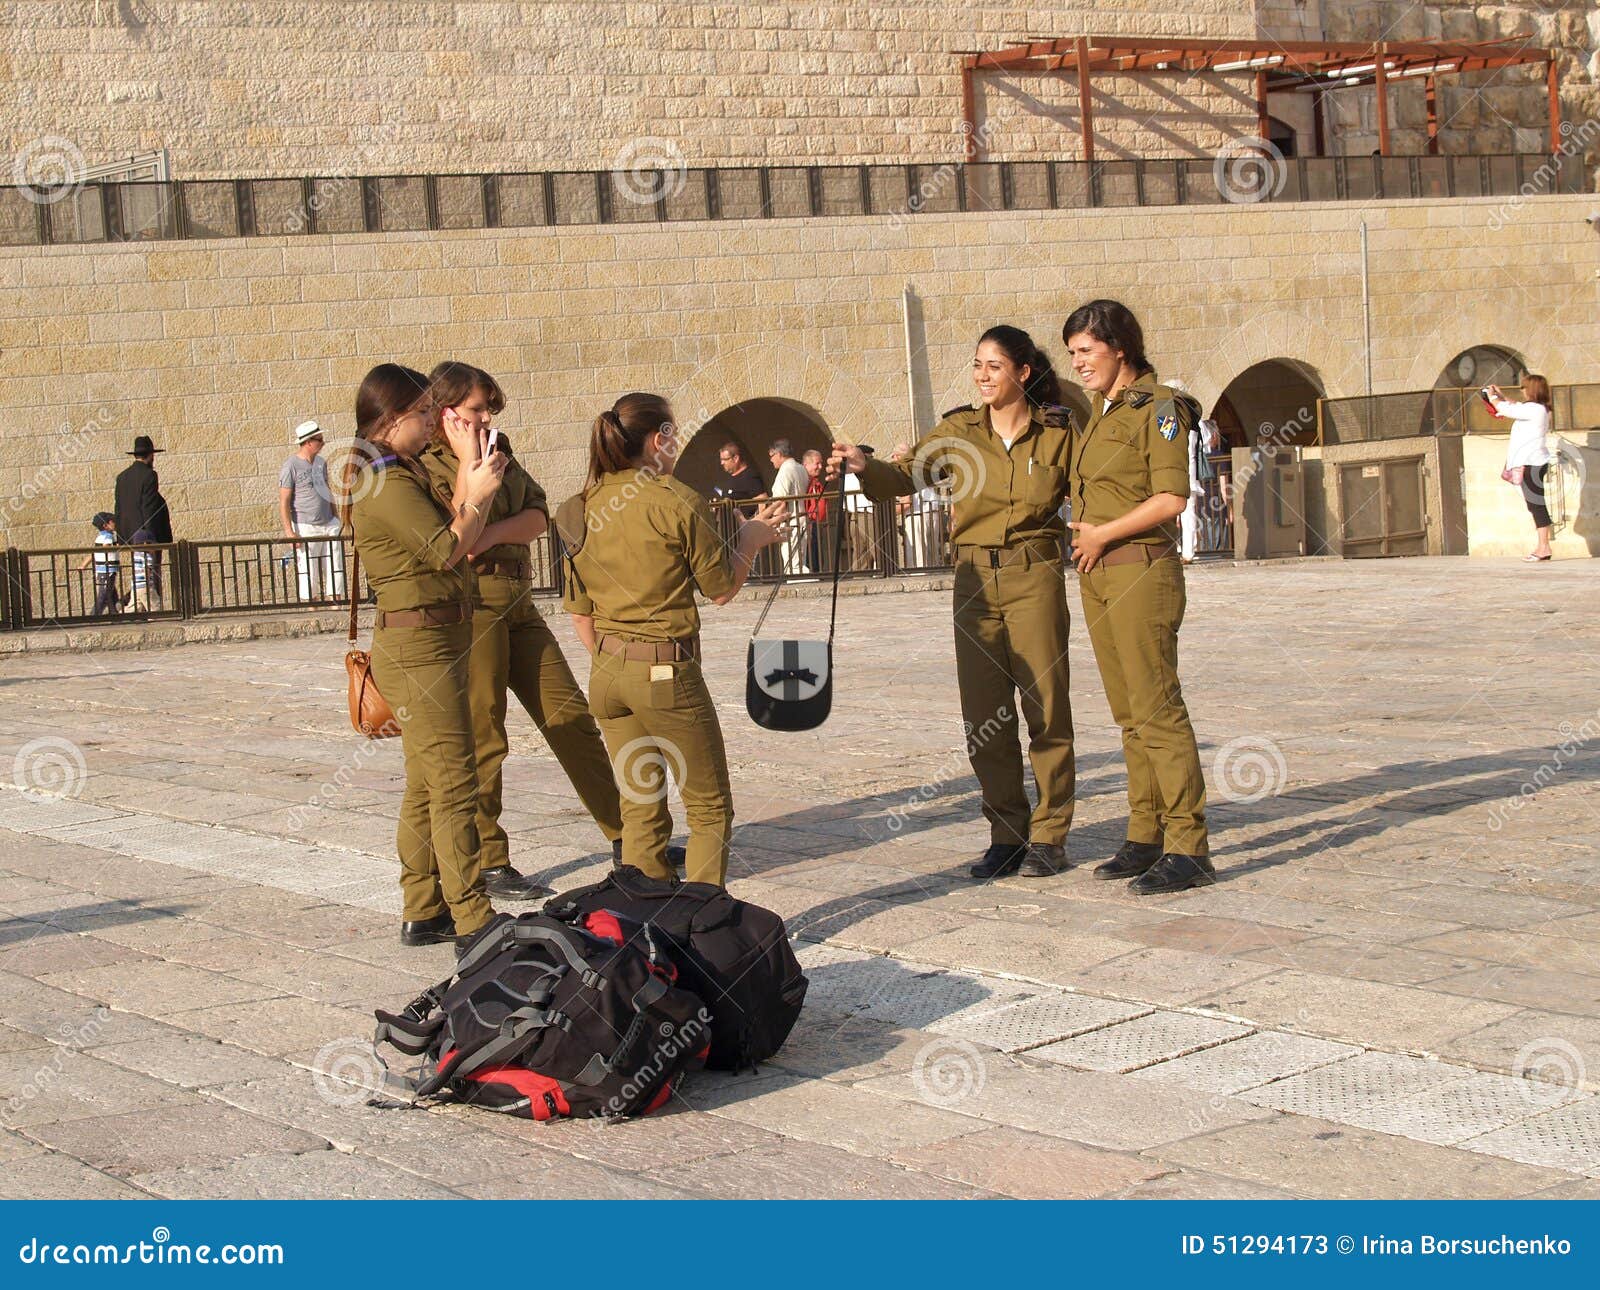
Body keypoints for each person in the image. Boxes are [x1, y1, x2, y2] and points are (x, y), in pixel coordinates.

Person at [416, 362, 683, 900]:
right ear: (447, 411)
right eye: (476, 408)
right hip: (470, 607)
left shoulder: (499, 449)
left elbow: (539, 515)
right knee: (485, 734)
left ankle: (629, 835)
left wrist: (484, 533)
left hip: (516, 601)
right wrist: (473, 488)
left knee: (571, 717)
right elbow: (449, 541)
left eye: (490, 407)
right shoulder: (425, 466)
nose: (486, 417)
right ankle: (489, 858)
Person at [830, 326, 1077, 880]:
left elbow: (1090, 491)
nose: (983, 376)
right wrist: (864, 467)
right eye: (977, 365)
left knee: (1046, 707)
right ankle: (1006, 834)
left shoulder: (1059, 433)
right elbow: (905, 476)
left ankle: (1050, 834)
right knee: (984, 714)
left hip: (1034, 573)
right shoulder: (959, 432)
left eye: (994, 366)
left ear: (1023, 372)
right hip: (974, 582)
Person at [555, 394, 787, 888]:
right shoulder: (678, 500)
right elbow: (721, 589)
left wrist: (614, 660)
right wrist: (749, 540)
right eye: (674, 434)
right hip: (665, 674)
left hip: (608, 675)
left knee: (640, 810)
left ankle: (642, 921)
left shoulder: (576, 509)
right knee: (708, 809)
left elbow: (578, 612)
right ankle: (703, 921)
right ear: (658, 439)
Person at [345, 362, 506, 946]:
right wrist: (480, 492)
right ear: (393, 419)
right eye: (421, 414)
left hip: (433, 640)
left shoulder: (399, 471)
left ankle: (423, 907)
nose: (428, 423)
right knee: (455, 783)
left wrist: (470, 473)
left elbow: (454, 526)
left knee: (425, 785)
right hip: (420, 649)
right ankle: (472, 917)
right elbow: (447, 548)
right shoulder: (384, 480)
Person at [1062, 299, 1212, 894]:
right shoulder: (1101, 413)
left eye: (1086, 351)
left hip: (1140, 572)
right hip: (1099, 573)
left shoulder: (1160, 408)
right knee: (1130, 716)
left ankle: (1188, 845)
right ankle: (1145, 832)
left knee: (1157, 710)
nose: (1077, 363)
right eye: (1071, 352)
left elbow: (1172, 499)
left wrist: (1102, 532)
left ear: (1119, 347)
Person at [279, 420, 347, 601]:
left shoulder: (320, 463)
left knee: (335, 562)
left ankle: (335, 600)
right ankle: (311, 604)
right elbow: (284, 500)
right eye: (319, 439)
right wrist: (289, 532)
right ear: (309, 442)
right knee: (308, 567)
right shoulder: (291, 466)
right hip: (305, 523)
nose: (323, 443)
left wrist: (336, 517)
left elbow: (327, 490)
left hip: (328, 521)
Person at [1488, 377, 1555, 562]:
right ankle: (1543, 546)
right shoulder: (1537, 409)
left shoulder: (1535, 409)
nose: (1522, 391)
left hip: (1531, 463)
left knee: (1537, 505)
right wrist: (1502, 395)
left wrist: (1492, 397)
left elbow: (1506, 409)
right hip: (1533, 462)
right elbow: (1515, 405)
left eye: (1524, 388)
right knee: (1535, 505)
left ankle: (1544, 547)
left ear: (1531, 389)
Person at [114, 435, 171, 609]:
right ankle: (153, 609)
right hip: (146, 535)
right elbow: (149, 508)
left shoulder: (122, 477)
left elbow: (119, 508)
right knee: (151, 573)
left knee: (139, 572)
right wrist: (150, 539)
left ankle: (132, 603)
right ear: (150, 455)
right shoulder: (149, 475)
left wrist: (122, 537)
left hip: (130, 537)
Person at [1166, 379, 1219, 564]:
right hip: (1187, 474)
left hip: (1178, 474)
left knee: (1179, 515)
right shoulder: (1194, 419)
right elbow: (1206, 444)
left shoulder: (1169, 419)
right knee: (1186, 515)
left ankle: (1183, 551)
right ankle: (1186, 551)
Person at [768, 438, 810, 574]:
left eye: (771, 456)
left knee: (793, 566)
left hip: (790, 521)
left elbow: (780, 501)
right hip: (801, 518)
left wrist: (774, 522)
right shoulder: (801, 468)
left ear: (779, 453)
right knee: (799, 560)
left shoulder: (785, 471)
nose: (771, 460)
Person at [78, 513, 121, 617]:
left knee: (111, 595)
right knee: (104, 595)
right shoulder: (108, 536)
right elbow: (106, 547)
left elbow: (94, 553)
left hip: (103, 570)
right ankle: (94, 616)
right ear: (105, 526)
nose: (115, 523)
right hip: (108, 570)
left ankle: (115, 614)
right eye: (112, 522)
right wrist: (118, 547)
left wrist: (84, 565)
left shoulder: (100, 537)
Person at [714, 442, 767, 515]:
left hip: (745, 524)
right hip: (730, 525)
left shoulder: (749, 476)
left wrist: (759, 523)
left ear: (736, 458)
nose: (722, 463)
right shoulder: (731, 477)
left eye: (725, 459)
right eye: (721, 459)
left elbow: (762, 501)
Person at [802, 448, 832, 572]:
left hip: (817, 523)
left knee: (817, 555)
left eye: (821, 463)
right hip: (809, 523)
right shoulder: (804, 480)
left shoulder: (815, 481)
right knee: (812, 555)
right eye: (817, 463)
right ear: (806, 464)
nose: (820, 466)